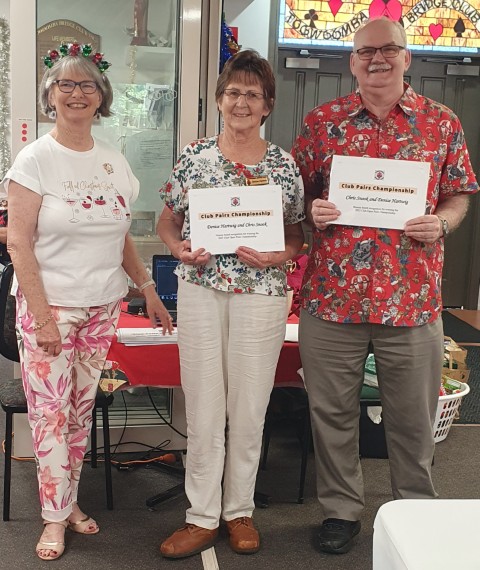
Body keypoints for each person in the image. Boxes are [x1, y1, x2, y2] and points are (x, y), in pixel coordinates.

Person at [291, 17, 479, 555]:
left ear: (406, 57)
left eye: (389, 49)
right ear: (352, 61)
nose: (377, 58)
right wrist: (313, 209)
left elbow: (459, 193)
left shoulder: (441, 122)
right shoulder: (323, 121)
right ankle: (340, 511)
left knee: (414, 419)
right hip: (333, 299)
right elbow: (297, 193)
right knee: (331, 415)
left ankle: (414, 511)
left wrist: (441, 222)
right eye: (366, 51)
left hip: (412, 300)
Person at [2, 42, 173, 561]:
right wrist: (42, 317)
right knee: (49, 417)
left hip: (103, 306)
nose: (76, 93)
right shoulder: (34, 159)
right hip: (50, 309)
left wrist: (147, 288)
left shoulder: (114, 161)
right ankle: (53, 519)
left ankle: (67, 501)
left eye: (87, 85)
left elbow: (120, 237)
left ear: (102, 97)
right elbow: (18, 242)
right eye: (65, 84)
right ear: (50, 95)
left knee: (77, 414)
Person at [157, 49, 305, 559]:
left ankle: (239, 510)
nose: (242, 102)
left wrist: (278, 255)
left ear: (267, 105)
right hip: (201, 289)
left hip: (261, 294)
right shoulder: (195, 156)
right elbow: (167, 221)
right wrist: (179, 249)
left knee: (249, 407)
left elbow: (295, 236)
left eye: (253, 94)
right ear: (219, 99)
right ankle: (200, 515)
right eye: (234, 92)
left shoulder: (283, 164)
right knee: (203, 406)